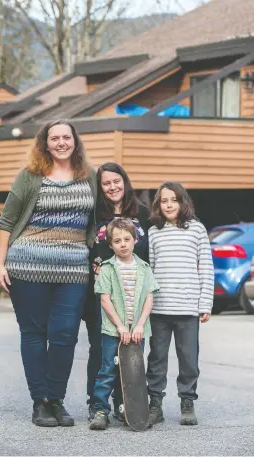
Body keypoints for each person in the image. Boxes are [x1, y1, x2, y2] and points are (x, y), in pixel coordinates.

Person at [0, 119, 97, 427]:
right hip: (27, 266)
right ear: (45, 143)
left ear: (75, 142)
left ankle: (57, 400)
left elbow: (103, 215)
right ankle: (40, 402)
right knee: (34, 334)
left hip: (74, 270)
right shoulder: (29, 176)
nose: (61, 142)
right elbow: (6, 222)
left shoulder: (89, 176)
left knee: (65, 336)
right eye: (55, 138)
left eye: (67, 137)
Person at [84, 162, 151, 421]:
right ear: (100, 187)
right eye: (106, 183)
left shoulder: (143, 213)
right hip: (102, 295)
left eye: (117, 181)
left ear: (125, 181)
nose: (113, 187)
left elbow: (150, 254)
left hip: (133, 292)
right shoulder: (93, 215)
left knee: (130, 350)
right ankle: (96, 404)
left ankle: (126, 406)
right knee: (101, 350)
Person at [146, 181, 214, 426]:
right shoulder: (154, 232)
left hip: (187, 308)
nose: (169, 205)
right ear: (158, 205)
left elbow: (206, 267)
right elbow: (150, 270)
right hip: (160, 309)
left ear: (183, 202)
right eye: (164, 201)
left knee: (188, 359)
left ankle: (187, 401)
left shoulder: (196, 230)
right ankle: (155, 403)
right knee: (156, 359)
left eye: (173, 200)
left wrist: (205, 303)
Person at [89, 218, 159, 430]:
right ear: (110, 245)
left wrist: (138, 325)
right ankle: (101, 410)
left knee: (135, 372)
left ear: (135, 240)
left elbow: (149, 298)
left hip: (137, 330)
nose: (123, 244)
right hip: (113, 330)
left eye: (127, 239)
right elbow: (104, 299)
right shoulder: (108, 268)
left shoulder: (144, 268)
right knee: (108, 369)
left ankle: (131, 410)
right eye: (117, 241)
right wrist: (120, 326)